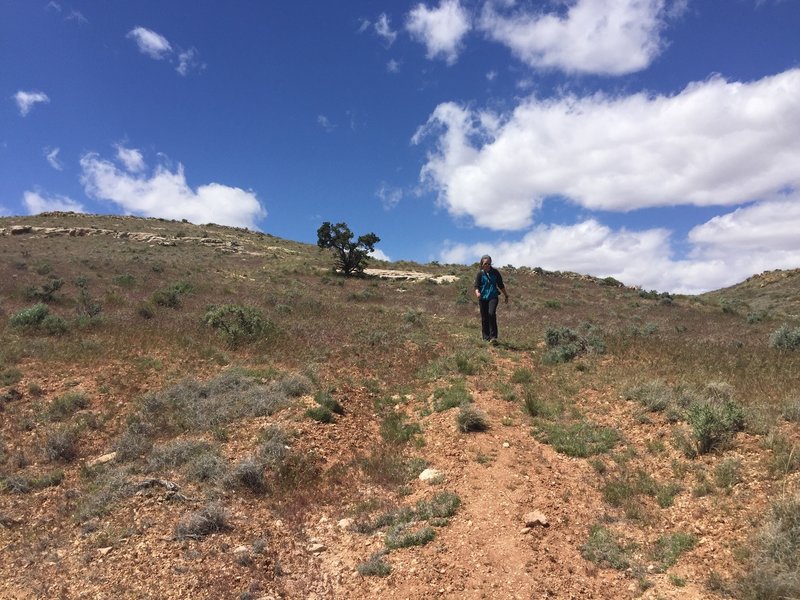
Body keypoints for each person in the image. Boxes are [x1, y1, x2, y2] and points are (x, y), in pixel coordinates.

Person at [473, 255, 509, 344]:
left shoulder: (495, 272)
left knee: (491, 313)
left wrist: (506, 295)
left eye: (489, 264)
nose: (487, 265)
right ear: (482, 264)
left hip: (493, 297)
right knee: (484, 317)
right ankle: (485, 337)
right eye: (485, 264)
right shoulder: (480, 274)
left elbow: (500, 285)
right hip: (483, 298)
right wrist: (477, 292)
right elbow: (476, 286)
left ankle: (493, 337)